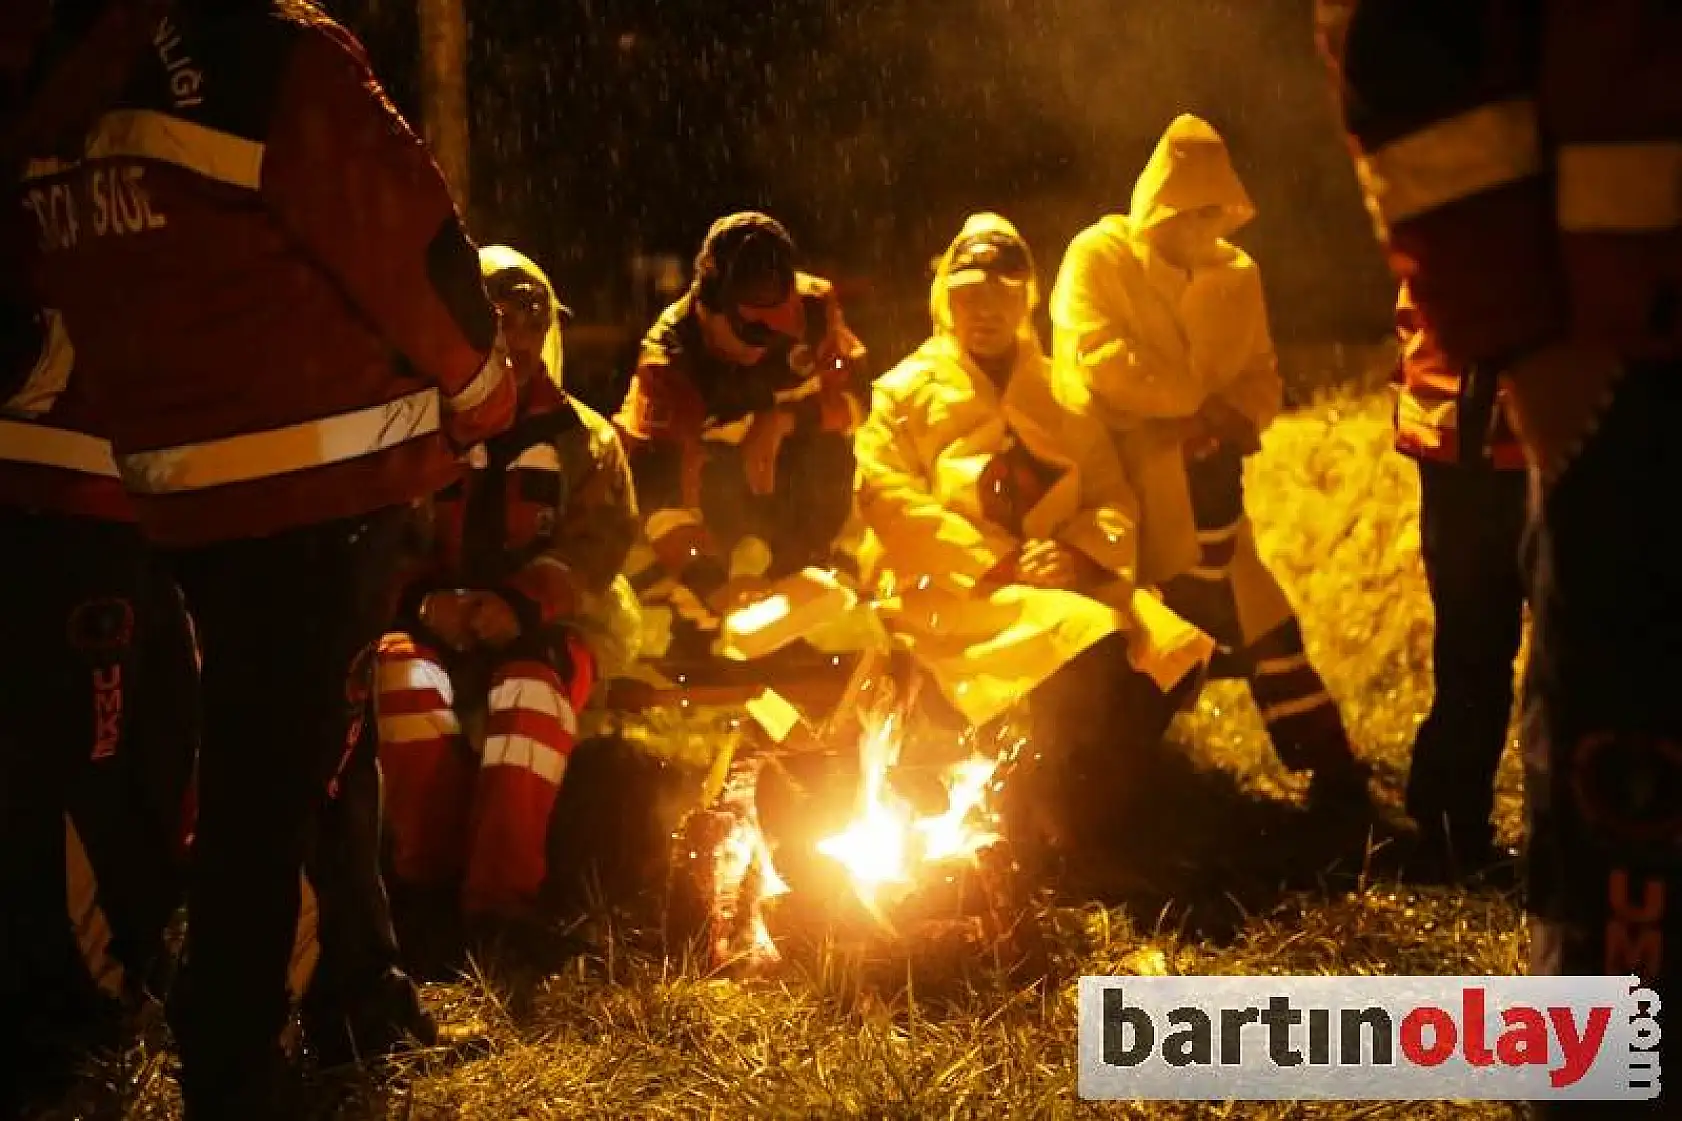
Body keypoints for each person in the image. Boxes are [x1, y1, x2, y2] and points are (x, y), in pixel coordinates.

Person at [8, 2, 516, 1114]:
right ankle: (238, 1054)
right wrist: (483, 388)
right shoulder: (269, 53)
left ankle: (332, 1004)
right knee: (276, 778)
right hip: (316, 477)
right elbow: (403, 233)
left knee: (271, 755)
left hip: (177, 488)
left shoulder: (75, 76)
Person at [1319, 3, 1682, 1113]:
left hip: (1596, 381)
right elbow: (1407, 42)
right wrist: (1530, 352)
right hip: (1627, 383)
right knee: (1613, 779)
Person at [855, 213, 1213, 864]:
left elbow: (1110, 498)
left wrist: (1075, 552)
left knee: (1164, 655)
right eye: (969, 294)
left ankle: (1061, 806)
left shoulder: (1062, 393)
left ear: (1026, 299)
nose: (985, 310)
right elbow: (885, 495)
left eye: (1001, 293)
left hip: (1055, 583)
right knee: (1088, 646)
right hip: (949, 592)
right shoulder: (905, 392)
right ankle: (1051, 823)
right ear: (945, 299)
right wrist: (997, 561)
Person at [1049, 114, 1371, 806]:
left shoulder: (1237, 275)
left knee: (1254, 620)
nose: (1206, 226)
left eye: (1215, 212)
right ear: (1159, 204)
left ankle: (1327, 764)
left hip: (1214, 483)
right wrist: (1193, 408)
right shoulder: (1100, 256)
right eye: (1192, 211)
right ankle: (1097, 782)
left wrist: (1234, 417)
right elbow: (1097, 356)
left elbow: (1260, 373)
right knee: (1160, 628)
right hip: (1126, 489)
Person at [374, 245, 639, 960]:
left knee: (530, 694)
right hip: (431, 622)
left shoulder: (584, 440)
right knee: (401, 681)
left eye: (530, 318)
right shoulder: (414, 428)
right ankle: (424, 886)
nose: (513, 338)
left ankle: (498, 907)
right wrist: (425, 601)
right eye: (494, 319)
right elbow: (382, 537)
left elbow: (600, 544)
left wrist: (523, 604)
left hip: (551, 627)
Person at [0, 300, 198, 1114]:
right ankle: (73, 1008)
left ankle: (118, 972)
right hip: (52, 505)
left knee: (153, 746)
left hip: (137, 507)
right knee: (81, 772)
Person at [614, 212, 867, 661]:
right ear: (708, 309)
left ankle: (812, 579)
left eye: (781, 327)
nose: (768, 342)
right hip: (710, 501)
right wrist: (711, 581)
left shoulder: (815, 309)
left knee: (836, 454)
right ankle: (697, 632)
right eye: (753, 329)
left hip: (795, 487)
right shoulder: (669, 363)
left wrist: (786, 418)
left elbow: (856, 400)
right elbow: (660, 493)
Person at [1392, 280, 1528, 880]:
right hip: (1475, 435)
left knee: (1482, 650)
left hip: (1504, 433)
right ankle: (1451, 830)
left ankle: (1452, 826)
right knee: (1477, 648)